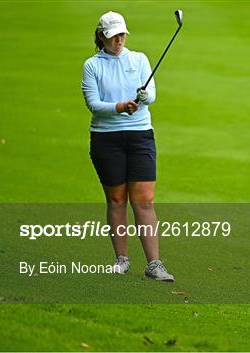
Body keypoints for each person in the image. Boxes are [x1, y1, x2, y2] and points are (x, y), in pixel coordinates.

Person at [81, 11, 174, 282]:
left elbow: (152, 94)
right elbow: (93, 104)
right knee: (117, 200)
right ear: (101, 36)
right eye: (113, 36)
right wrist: (120, 107)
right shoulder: (92, 65)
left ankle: (154, 265)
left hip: (140, 136)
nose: (119, 39)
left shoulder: (139, 59)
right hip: (106, 138)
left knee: (144, 200)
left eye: (122, 34)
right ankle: (121, 259)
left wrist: (144, 97)